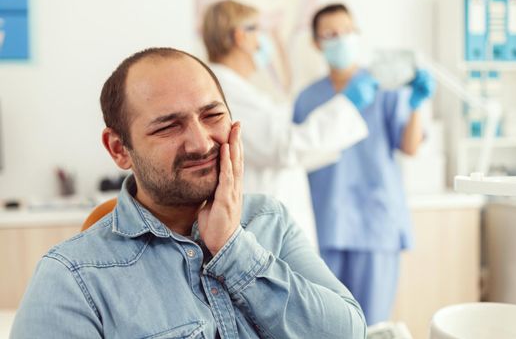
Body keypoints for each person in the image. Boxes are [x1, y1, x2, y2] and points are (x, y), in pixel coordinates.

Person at [11, 47, 366, 338]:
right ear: (119, 149)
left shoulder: (269, 220)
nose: (201, 143)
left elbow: (346, 334)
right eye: (168, 127)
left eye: (212, 116)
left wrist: (233, 248)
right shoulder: (72, 277)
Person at [293, 4, 435, 325]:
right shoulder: (307, 98)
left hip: (376, 223)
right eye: (330, 34)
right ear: (316, 43)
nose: (340, 39)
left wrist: (416, 105)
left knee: (372, 325)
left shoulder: (383, 86)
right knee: (326, 323)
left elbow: (409, 146)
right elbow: (296, 157)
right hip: (325, 223)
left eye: (347, 31)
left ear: (357, 34)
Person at [201, 0, 369, 249]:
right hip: (264, 231)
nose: (264, 39)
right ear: (240, 37)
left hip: (269, 225)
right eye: (259, 30)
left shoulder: (240, 90)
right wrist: (347, 106)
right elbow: (283, 147)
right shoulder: (227, 93)